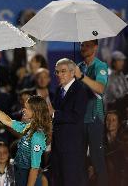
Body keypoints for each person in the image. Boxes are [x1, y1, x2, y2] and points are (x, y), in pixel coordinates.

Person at [0, 92, 52, 186]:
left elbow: (34, 168)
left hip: (28, 179)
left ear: (35, 111)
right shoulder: (28, 127)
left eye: (26, 108)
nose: (23, 110)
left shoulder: (38, 136)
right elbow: (6, 120)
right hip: (19, 174)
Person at [48, 58, 88, 186]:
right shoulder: (59, 90)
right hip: (58, 146)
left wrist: (54, 113)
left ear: (72, 72)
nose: (59, 75)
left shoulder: (80, 89)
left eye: (63, 71)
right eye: (57, 72)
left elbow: (76, 116)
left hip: (72, 148)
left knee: (71, 181)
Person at [75, 39, 109, 186]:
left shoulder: (100, 66)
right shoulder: (78, 67)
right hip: (79, 119)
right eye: (82, 44)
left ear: (95, 47)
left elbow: (100, 88)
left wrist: (81, 77)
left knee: (97, 160)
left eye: (87, 45)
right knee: (79, 160)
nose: (83, 48)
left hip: (95, 118)